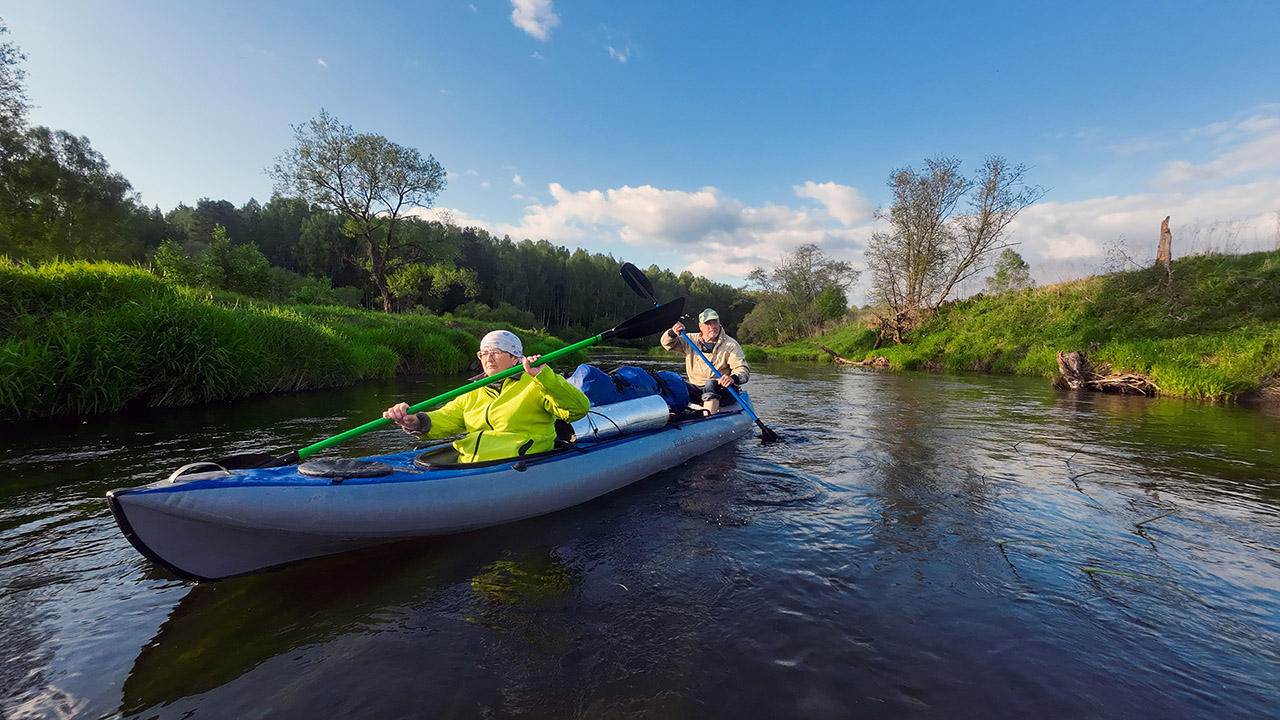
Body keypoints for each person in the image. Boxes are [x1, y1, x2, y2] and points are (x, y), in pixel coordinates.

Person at [382, 330, 590, 463]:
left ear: (514, 357)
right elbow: (447, 418)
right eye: (484, 353)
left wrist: (545, 376)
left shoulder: (536, 383)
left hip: (518, 464)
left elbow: (578, 409)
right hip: (474, 463)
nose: (488, 358)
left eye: (496, 352)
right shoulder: (473, 391)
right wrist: (416, 421)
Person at [660, 308, 750, 416]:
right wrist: (672, 332)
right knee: (675, 382)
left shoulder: (731, 344)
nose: (712, 326)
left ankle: (708, 419)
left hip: (724, 390)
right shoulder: (689, 340)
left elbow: (742, 369)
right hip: (697, 389)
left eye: (715, 322)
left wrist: (732, 378)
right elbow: (667, 344)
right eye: (708, 323)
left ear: (719, 323)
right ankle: (672, 415)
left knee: (711, 383)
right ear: (700, 326)